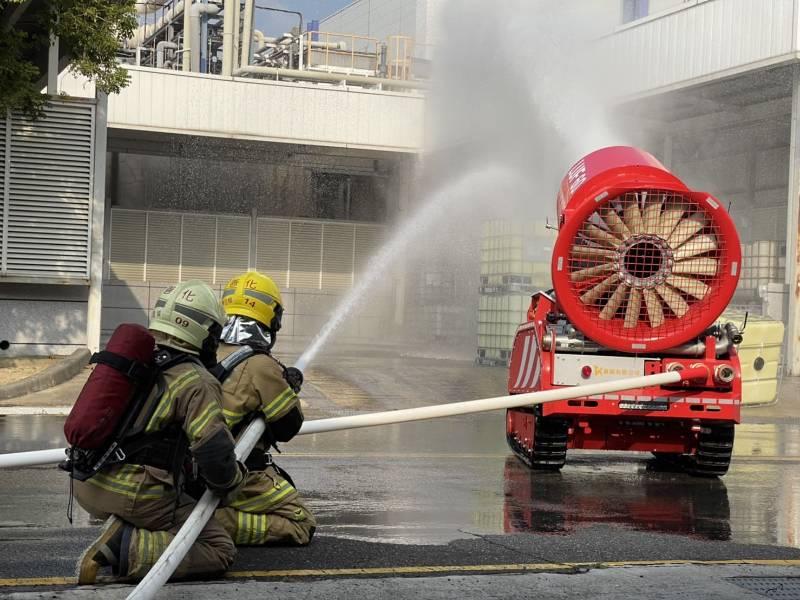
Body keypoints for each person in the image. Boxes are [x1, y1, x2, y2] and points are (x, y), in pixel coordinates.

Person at [74, 280, 245, 583]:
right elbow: (215, 456)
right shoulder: (197, 381)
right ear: (202, 332)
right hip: (134, 495)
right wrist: (233, 481)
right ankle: (125, 546)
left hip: (88, 483)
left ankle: (126, 531)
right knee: (218, 547)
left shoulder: (139, 360)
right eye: (214, 334)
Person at [212, 270, 316, 546]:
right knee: (301, 523)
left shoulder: (205, 351)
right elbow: (287, 427)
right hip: (232, 475)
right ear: (271, 316)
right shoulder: (260, 365)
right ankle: (207, 525)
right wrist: (288, 387)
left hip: (192, 467)